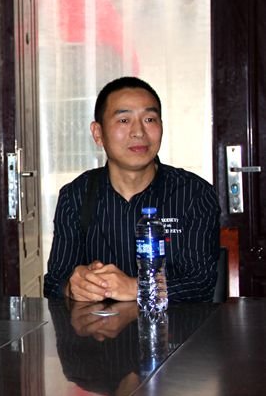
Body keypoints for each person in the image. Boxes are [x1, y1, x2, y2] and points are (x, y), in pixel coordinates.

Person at [43, 76, 220, 302]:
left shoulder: (194, 193)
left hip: (174, 324)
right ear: (98, 133)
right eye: (124, 120)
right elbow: (54, 282)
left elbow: (201, 283)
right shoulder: (76, 195)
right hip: (99, 324)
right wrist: (73, 287)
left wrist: (137, 288)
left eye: (149, 119)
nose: (139, 132)